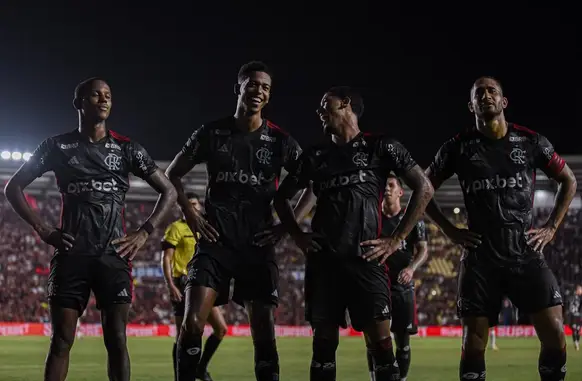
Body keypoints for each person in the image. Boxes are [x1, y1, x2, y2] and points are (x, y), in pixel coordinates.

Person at [3, 77, 177, 381]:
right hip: (71, 255)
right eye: (96, 95)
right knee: (61, 341)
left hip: (114, 256)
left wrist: (146, 230)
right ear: (79, 103)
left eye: (108, 95)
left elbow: (170, 190)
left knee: (117, 342)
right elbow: (13, 187)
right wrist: (42, 228)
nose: (104, 99)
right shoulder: (57, 146)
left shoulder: (127, 149)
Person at [165, 61, 315, 381]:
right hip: (215, 243)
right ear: (239, 87)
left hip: (256, 246)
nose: (258, 90)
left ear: (269, 97)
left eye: (265, 87)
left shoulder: (280, 141)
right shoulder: (211, 133)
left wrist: (285, 227)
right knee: (192, 324)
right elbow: (172, 174)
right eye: (253, 83)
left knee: (263, 331)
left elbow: (313, 185)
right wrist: (191, 214)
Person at [273, 86, 434, 381]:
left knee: (383, 349)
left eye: (325, 103)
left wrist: (396, 238)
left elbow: (424, 187)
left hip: (366, 262)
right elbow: (281, 198)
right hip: (324, 265)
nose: (319, 110)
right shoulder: (315, 155)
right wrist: (297, 235)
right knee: (323, 351)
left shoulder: (382, 146)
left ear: (345, 104)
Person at [424, 76, 577, 381]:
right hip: (481, 258)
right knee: (472, 347)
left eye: (491, 91)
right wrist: (448, 230)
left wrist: (552, 227)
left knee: (556, 334)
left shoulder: (531, 141)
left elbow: (569, 181)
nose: (486, 95)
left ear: (503, 101)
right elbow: (423, 188)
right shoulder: (457, 147)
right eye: (478, 93)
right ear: (471, 105)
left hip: (524, 252)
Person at [365, 174, 428, 381]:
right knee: (375, 340)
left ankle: (401, 379)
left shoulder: (412, 220)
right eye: (385, 185)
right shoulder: (371, 218)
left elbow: (423, 250)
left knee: (402, 342)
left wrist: (411, 268)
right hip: (376, 285)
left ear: (401, 192)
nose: (388, 189)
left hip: (402, 285)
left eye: (392, 185)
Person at [161, 192, 228, 381]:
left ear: (200, 206)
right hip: (182, 284)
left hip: (204, 282)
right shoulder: (176, 228)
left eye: (195, 204)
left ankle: (201, 368)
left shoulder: (205, 227)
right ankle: (180, 377)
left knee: (221, 329)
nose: (192, 207)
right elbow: (166, 258)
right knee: (183, 335)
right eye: (188, 204)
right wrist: (170, 285)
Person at [567, 284, 581, 351]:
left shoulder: (576, 297)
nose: (581, 290)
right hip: (574, 315)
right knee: (575, 330)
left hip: (577, 315)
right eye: (580, 289)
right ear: (577, 290)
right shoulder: (574, 297)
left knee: (577, 330)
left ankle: (577, 342)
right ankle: (576, 342)